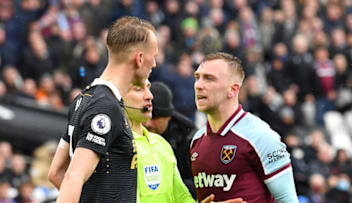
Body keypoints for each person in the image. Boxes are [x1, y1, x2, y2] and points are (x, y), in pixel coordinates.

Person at [48, 16, 158, 203]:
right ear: (139, 58)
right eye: (153, 56)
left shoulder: (84, 98)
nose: (154, 64)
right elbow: (72, 176)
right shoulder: (106, 107)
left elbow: (56, 173)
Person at [191, 52, 298, 202]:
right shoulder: (196, 140)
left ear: (233, 89)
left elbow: (287, 200)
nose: (199, 85)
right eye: (197, 77)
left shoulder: (261, 136)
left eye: (209, 78)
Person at [122, 79, 246, 203]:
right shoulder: (117, 144)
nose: (149, 96)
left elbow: (181, 197)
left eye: (148, 88)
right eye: (138, 89)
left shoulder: (163, 144)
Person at [143, 81, 197, 197]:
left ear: (168, 117)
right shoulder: (136, 133)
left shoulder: (188, 137)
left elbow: (198, 183)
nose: (147, 123)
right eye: (145, 115)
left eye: (154, 117)